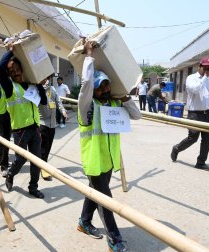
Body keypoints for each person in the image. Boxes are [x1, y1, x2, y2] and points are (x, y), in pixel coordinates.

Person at [77, 40, 141, 252]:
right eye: (101, 85)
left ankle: (84, 222)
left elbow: (136, 115)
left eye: (107, 84)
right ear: (93, 89)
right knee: (106, 200)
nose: (105, 88)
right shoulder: (87, 107)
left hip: (108, 161)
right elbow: (85, 86)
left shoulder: (114, 104)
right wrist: (88, 56)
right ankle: (114, 238)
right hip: (94, 162)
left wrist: (125, 97)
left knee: (94, 193)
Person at [0, 44, 47, 199]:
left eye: (17, 69)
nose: (15, 72)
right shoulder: (10, 88)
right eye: (12, 71)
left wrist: (39, 85)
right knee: (20, 159)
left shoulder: (31, 85)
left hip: (35, 128)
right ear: (9, 75)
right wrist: (11, 51)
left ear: (22, 69)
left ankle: (33, 187)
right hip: (20, 130)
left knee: (37, 161)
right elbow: (0, 67)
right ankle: (11, 174)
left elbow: (44, 102)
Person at [170, 57, 209, 172]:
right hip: (195, 114)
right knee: (193, 138)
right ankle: (176, 148)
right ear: (199, 66)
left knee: (207, 139)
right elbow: (195, 90)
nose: (207, 70)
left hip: (208, 114)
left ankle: (201, 162)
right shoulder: (191, 78)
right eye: (205, 67)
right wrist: (205, 77)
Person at [38, 75, 67, 181]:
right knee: (43, 147)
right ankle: (43, 168)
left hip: (52, 123)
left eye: (48, 78)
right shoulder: (37, 90)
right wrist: (42, 86)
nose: (47, 81)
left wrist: (63, 110)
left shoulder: (53, 89)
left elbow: (58, 101)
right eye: (45, 78)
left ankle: (43, 164)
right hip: (42, 123)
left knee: (48, 146)